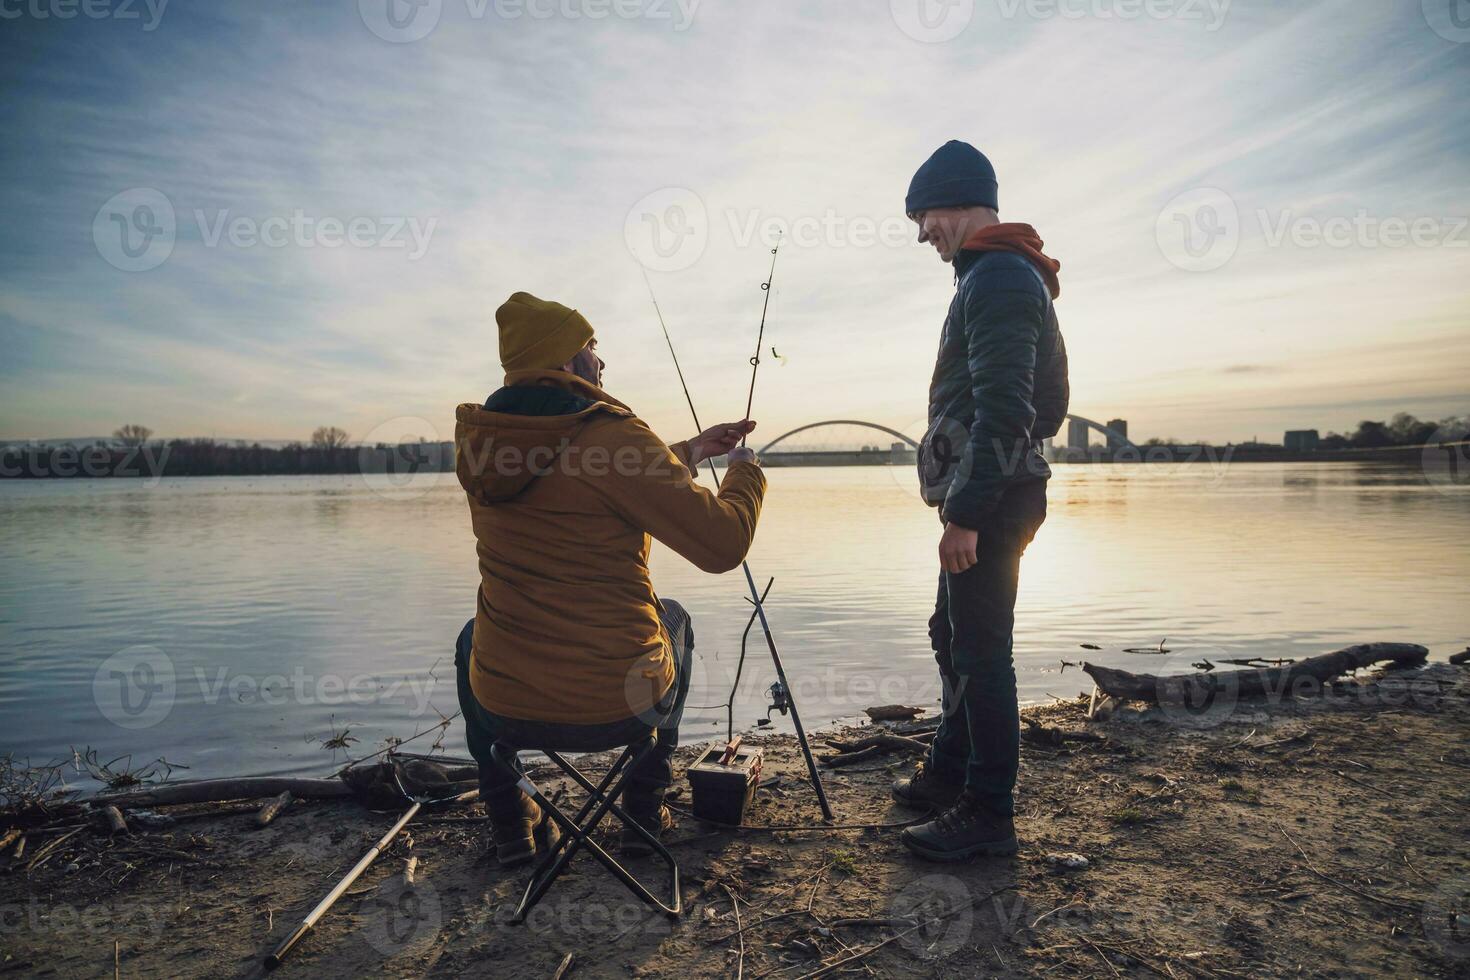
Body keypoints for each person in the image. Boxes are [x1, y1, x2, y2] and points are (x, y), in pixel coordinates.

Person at [453, 291, 766, 866]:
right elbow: (722, 546)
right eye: (592, 347)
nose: (601, 362)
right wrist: (744, 476)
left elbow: (580, 480)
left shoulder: (484, 446)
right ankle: (643, 808)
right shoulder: (613, 435)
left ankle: (510, 821)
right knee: (675, 619)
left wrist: (691, 450)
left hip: (508, 703)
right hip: (617, 703)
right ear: (566, 362)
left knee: (471, 639)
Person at [894, 141, 1070, 861]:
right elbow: (1049, 402)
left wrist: (967, 511)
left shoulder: (996, 276)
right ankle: (951, 771)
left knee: (981, 650)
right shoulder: (995, 274)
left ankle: (988, 810)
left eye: (923, 215)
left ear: (957, 202)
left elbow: (1008, 407)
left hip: (991, 502)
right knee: (951, 633)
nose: (921, 232)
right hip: (995, 489)